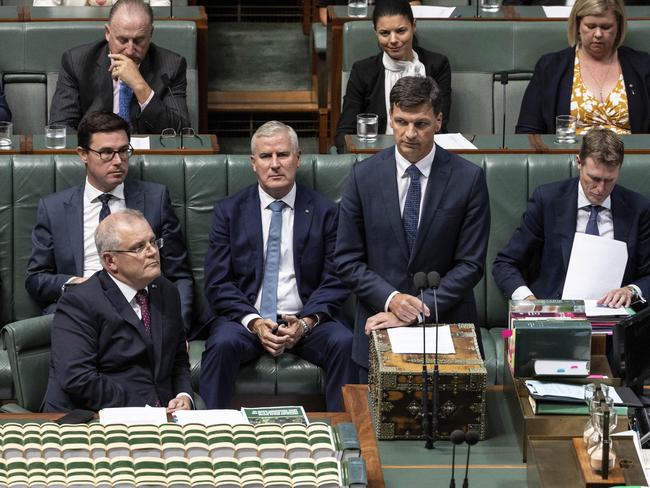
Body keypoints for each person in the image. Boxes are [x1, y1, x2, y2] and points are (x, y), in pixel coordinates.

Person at [335, 76, 490, 377]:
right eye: (401, 122)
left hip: (446, 326)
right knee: (373, 424)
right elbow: (346, 260)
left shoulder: (468, 179)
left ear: (439, 121)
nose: (409, 134)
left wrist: (418, 309)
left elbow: (470, 264)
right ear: (390, 119)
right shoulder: (362, 177)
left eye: (420, 124)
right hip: (379, 320)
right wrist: (393, 300)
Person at [200, 121, 356, 411]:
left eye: (283, 155)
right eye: (265, 156)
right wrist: (256, 322)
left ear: (297, 158)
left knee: (345, 344)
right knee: (221, 345)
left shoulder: (326, 212)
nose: (274, 165)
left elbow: (336, 279)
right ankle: (210, 436)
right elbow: (217, 281)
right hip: (246, 320)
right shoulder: (229, 212)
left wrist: (306, 323)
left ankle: (346, 440)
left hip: (305, 318)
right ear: (252, 163)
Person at [26, 111, 193, 329]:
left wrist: (179, 329)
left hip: (142, 310)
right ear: (83, 154)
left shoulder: (155, 199)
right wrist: (77, 284)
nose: (118, 161)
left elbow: (179, 276)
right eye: (106, 153)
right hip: (80, 311)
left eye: (124, 151)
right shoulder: (54, 208)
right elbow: (36, 278)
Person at [42, 210, 193, 412]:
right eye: (139, 247)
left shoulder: (167, 291)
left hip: (161, 416)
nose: (152, 252)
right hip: (93, 418)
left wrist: (183, 395)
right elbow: (78, 378)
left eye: (153, 242)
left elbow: (178, 357)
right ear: (110, 261)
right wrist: (145, 408)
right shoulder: (79, 302)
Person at [493, 128, 650, 307]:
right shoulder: (548, 200)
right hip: (554, 315)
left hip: (616, 319)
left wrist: (630, 290)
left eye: (609, 180)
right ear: (579, 163)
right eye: (594, 178)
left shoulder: (638, 208)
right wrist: (529, 302)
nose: (600, 189)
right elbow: (505, 264)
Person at [49, 0, 190, 133]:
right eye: (122, 40)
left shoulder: (171, 66)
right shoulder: (77, 62)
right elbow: (61, 127)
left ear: (151, 34)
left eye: (138, 40)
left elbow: (180, 132)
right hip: (98, 155)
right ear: (108, 33)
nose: (129, 50)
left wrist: (140, 86)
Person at [516, 0, 650, 135]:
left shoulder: (643, 66)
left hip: (631, 154)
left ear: (619, 27)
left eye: (606, 27)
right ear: (578, 26)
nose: (598, 34)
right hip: (569, 153)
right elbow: (528, 131)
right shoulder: (550, 67)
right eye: (590, 26)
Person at [335, 0, 451, 153]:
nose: (393, 40)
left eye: (401, 31)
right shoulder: (362, 71)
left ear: (413, 26)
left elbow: (439, 124)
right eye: (385, 33)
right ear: (375, 32)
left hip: (425, 153)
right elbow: (344, 132)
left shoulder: (437, 65)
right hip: (376, 155)